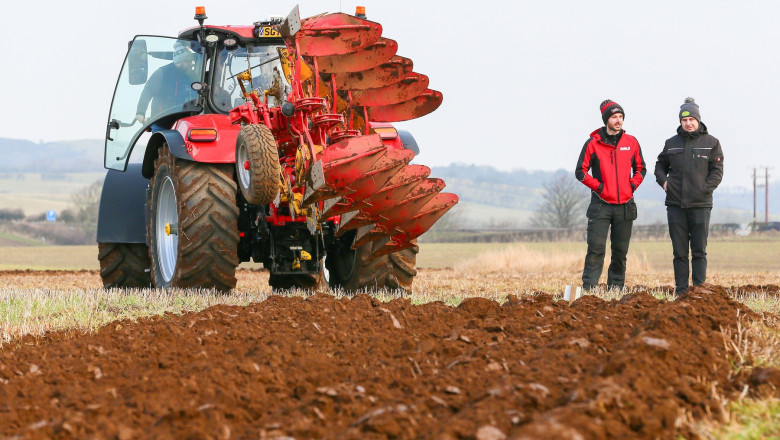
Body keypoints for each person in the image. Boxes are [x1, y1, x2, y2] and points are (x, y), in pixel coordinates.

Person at [654, 97, 724, 295]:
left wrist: (704, 189)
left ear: (698, 120)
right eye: (684, 120)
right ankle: (681, 292)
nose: (688, 123)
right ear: (680, 122)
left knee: (699, 251)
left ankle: (699, 292)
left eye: (691, 119)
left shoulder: (712, 143)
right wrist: (664, 183)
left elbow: (717, 171)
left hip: (701, 205)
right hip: (675, 205)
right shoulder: (671, 143)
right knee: (679, 252)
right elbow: (660, 166)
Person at [575, 99, 646, 290]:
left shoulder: (631, 142)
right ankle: (589, 289)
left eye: (621, 116)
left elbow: (641, 169)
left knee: (620, 252)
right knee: (596, 249)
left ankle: (615, 289)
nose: (618, 120)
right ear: (606, 119)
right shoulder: (593, 143)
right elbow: (580, 172)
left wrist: (631, 186)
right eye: (614, 117)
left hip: (625, 205)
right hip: (601, 205)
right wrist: (599, 187)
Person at [135, 40, 200, 126]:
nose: (190, 64)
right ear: (181, 60)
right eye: (188, 61)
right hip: (161, 122)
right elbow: (148, 91)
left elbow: (197, 93)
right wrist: (140, 112)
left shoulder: (190, 75)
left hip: (183, 122)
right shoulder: (162, 73)